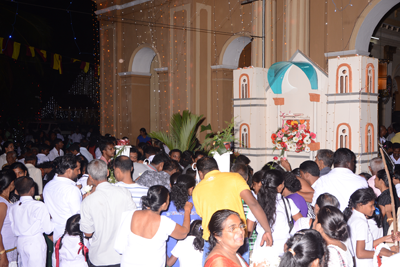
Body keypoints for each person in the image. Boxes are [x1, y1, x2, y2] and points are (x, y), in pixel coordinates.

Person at [192, 157, 273, 264]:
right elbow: (253, 203)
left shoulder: (197, 189)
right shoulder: (235, 177)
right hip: (237, 236)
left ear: (200, 173)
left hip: (214, 240)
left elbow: (203, 216)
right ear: (217, 167)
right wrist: (267, 230)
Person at [114, 185, 191, 267]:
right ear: (164, 204)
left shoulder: (130, 214)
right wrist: (187, 211)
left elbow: (119, 247)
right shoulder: (164, 222)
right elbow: (184, 232)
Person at [80, 159, 136, 267]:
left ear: (90, 177)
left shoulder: (88, 201)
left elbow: (88, 233)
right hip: (122, 255)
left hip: (99, 257)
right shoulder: (124, 192)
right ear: (107, 173)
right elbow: (133, 218)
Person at [247, 169, 302, 257]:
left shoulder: (257, 204)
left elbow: (249, 230)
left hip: (261, 250)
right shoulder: (288, 203)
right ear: (280, 186)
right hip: (282, 251)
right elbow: (302, 223)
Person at [9, 176, 53, 267]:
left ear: (16, 191)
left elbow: (13, 227)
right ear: (32, 189)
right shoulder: (39, 205)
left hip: (20, 242)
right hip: (35, 242)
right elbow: (48, 230)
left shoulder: (13, 207)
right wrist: (53, 220)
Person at [344, 188, 393, 266]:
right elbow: (360, 254)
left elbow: (365, 244)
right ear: (360, 205)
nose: (374, 208)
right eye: (371, 205)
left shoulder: (352, 217)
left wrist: (384, 238)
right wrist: (381, 253)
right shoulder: (361, 223)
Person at [164, 174, 201, 267]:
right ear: (191, 189)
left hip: (168, 253)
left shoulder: (166, 203)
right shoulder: (198, 202)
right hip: (192, 255)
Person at [43, 154, 82, 242]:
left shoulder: (48, 186)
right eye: (77, 170)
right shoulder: (72, 190)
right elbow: (77, 217)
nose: (79, 172)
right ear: (68, 171)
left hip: (56, 234)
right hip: (71, 236)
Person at [375, 169, 400, 235]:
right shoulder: (392, 194)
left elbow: (380, 219)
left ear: (381, 181)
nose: (374, 180)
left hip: (387, 232)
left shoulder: (384, 197)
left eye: (376, 178)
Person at [0, 170, 17, 266]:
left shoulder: (6, 200)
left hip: (10, 249)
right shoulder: (2, 204)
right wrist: (2, 255)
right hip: (5, 251)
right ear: (11, 183)